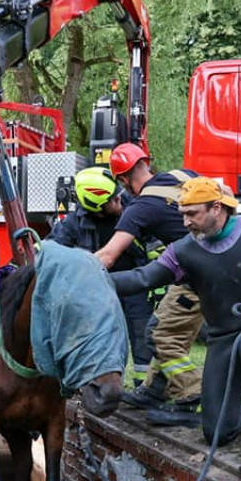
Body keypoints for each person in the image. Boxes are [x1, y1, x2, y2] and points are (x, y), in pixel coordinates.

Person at [112, 176, 241, 475]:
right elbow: (143, 278)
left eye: (192, 214)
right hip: (222, 338)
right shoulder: (183, 250)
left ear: (217, 208)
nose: (186, 222)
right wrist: (94, 276)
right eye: (182, 214)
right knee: (218, 431)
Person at [95, 143, 203, 416]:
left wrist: (76, 269)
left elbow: (108, 256)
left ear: (123, 179)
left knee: (160, 335)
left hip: (199, 278)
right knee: (164, 327)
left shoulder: (141, 207)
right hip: (218, 265)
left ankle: (192, 396)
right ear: (146, 162)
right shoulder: (184, 176)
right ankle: (154, 390)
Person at [46, 166, 151, 385]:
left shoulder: (135, 207)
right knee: (101, 338)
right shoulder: (74, 224)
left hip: (136, 284)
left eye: (118, 194)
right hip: (99, 291)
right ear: (97, 207)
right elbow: (52, 251)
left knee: (142, 333)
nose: (120, 200)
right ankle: (100, 383)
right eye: (114, 199)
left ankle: (144, 386)